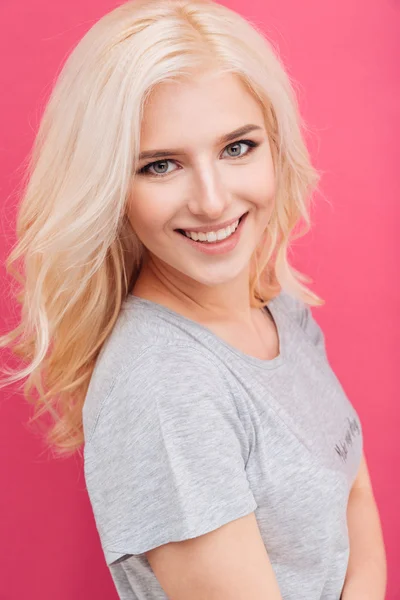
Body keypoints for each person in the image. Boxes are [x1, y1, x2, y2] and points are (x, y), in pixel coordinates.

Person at [0, 0, 387, 599]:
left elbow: (352, 491)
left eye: (238, 148)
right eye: (160, 165)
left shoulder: (276, 306)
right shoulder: (166, 388)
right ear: (109, 189)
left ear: (275, 147)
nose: (211, 200)